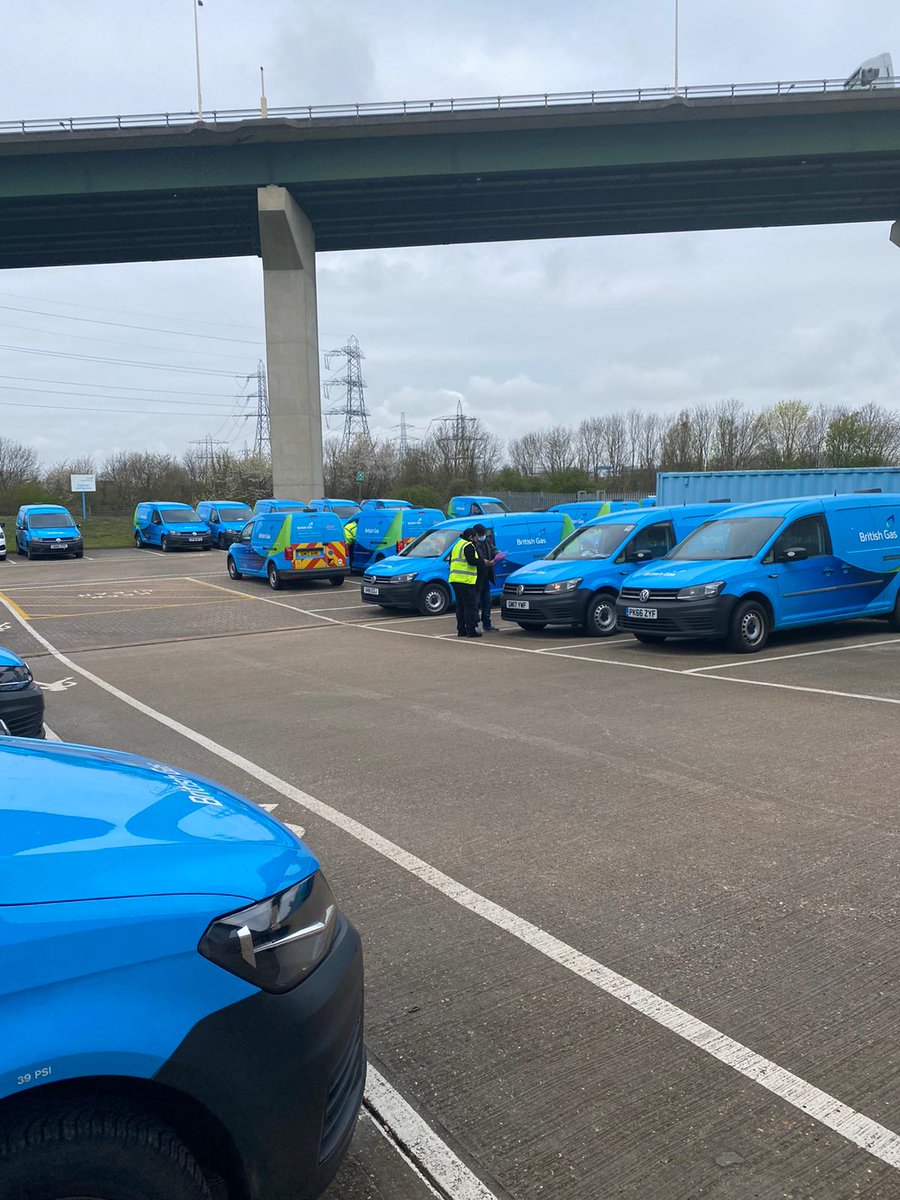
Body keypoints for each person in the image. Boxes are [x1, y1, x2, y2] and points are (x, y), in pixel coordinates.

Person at [448, 528, 481, 638]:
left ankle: (461, 630)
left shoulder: (457, 545)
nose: (477, 539)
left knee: (460, 606)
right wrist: (483, 562)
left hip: (455, 579)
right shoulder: (468, 545)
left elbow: (450, 562)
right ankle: (471, 630)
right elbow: (472, 561)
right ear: (471, 537)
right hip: (465, 580)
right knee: (469, 606)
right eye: (476, 537)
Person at [472, 523, 497, 631]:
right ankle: (475, 623)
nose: (484, 537)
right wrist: (486, 562)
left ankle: (487, 623)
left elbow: (493, 549)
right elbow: (476, 559)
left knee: (487, 601)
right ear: (477, 534)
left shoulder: (487, 541)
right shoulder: (472, 544)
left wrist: (498, 554)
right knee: (475, 601)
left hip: (486, 575)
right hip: (476, 576)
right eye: (482, 535)